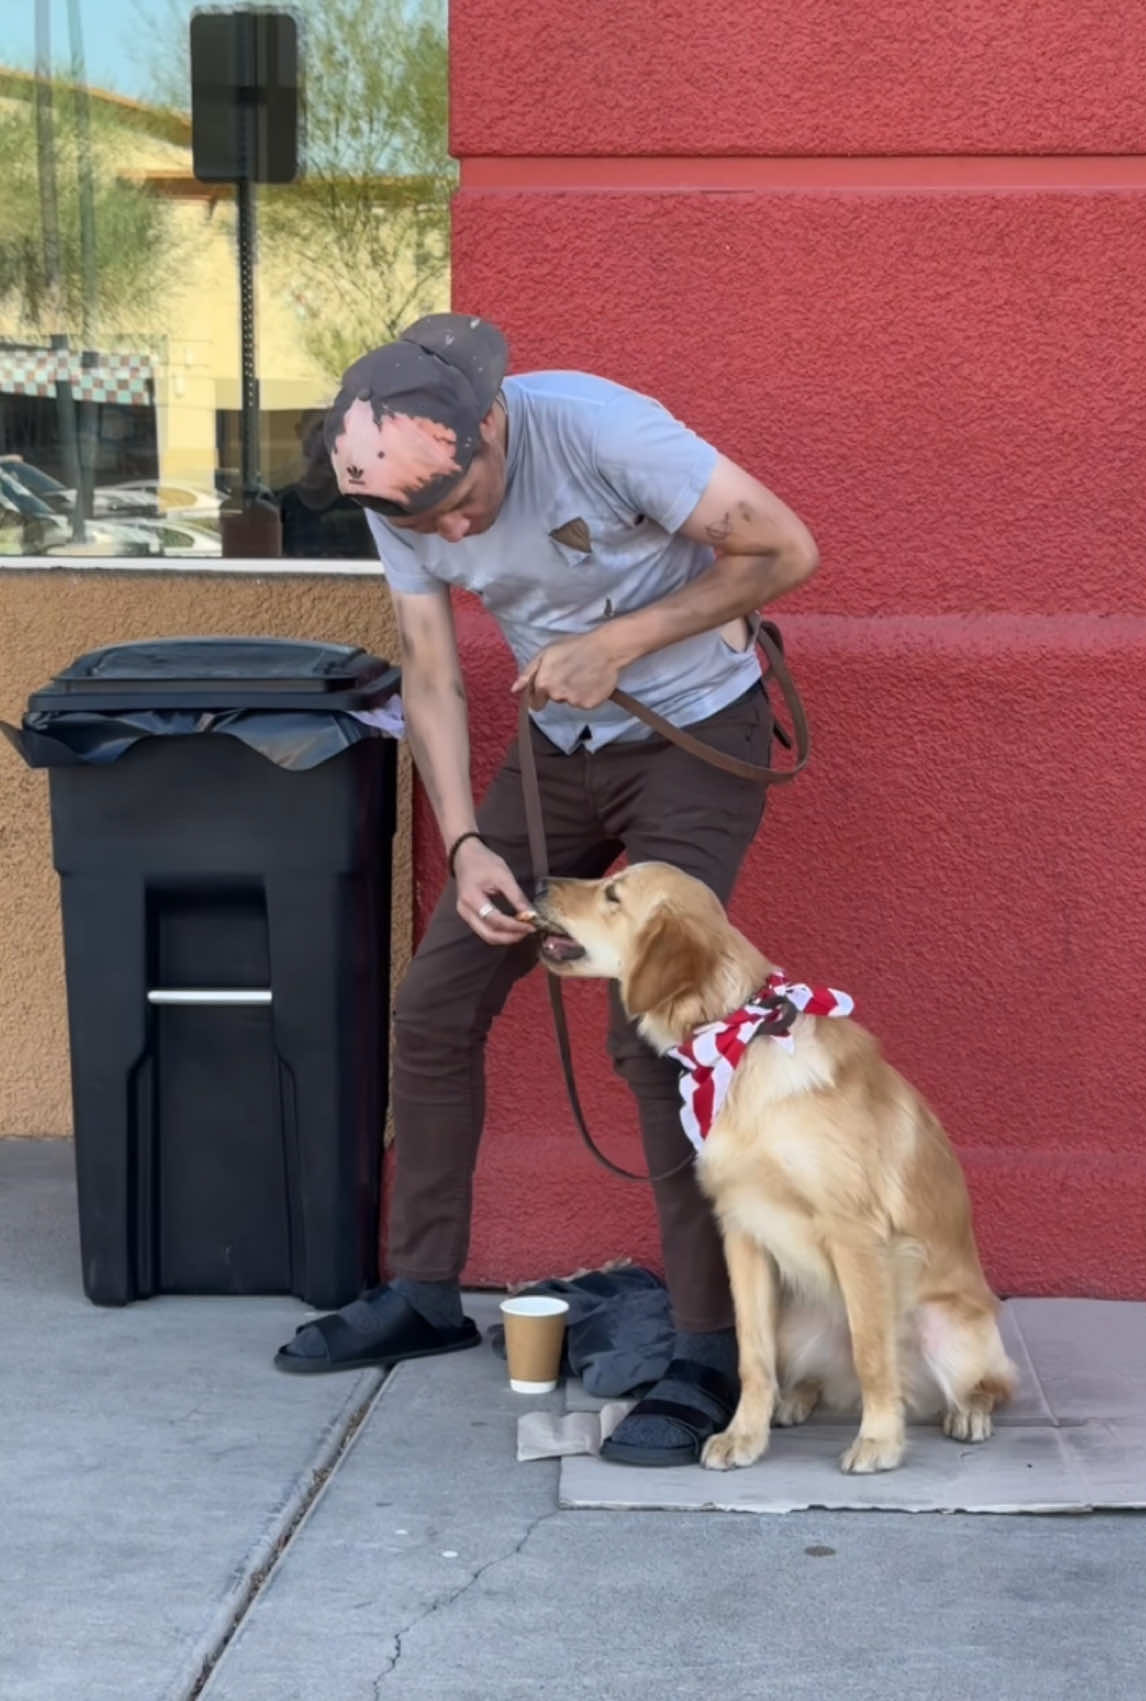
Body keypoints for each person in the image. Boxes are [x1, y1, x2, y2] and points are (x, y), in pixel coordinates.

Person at [275, 313, 819, 1467]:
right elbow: (428, 671)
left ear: (489, 424)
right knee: (434, 1008)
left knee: (657, 1034)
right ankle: (423, 1291)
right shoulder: (397, 491)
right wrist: (466, 839)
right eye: (425, 524)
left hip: (693, 730)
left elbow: (783, 550)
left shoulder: (605, 431)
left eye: (460, 505)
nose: (454, 533)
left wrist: (620, 641)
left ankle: (711, 1351)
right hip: (550, 752)